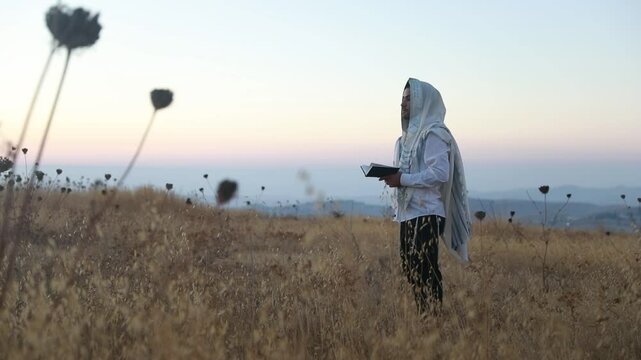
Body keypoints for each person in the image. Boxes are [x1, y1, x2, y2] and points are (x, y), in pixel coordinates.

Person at [380, 78, 471, 315]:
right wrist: (393, 177)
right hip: (408, 213)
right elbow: (406, 173)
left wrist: (403, 180)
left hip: (428, 212)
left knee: (426, 268)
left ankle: (433, 318)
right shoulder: (403, 140)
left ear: (424, 102)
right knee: (410, 268)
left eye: (410, 99)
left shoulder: (434, 134)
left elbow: (439, 173)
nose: (404, 104)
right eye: (402, 100)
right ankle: (425, 317)